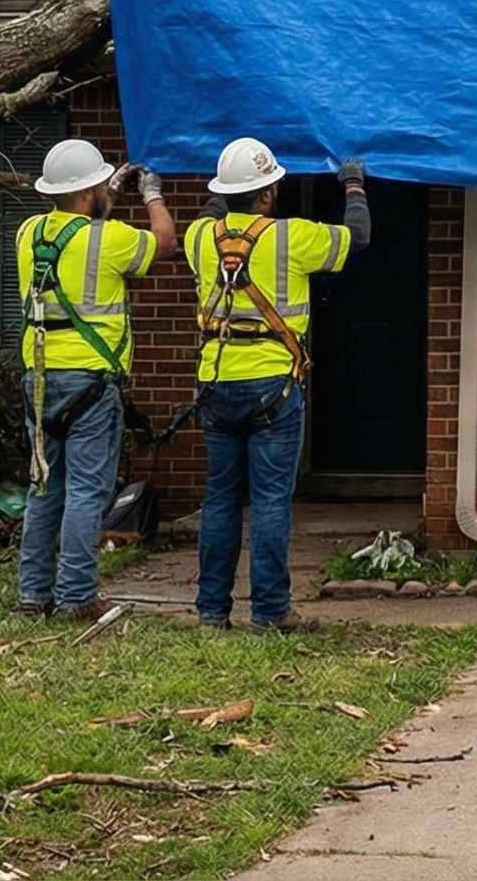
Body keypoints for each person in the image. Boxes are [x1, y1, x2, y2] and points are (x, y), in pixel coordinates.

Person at [187, 137, 369, 630]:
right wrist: (353, 182)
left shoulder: (199, 238)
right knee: (269, 501)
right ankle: (269, 612)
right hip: (274, 388)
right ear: (267, 194)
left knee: (220, 499)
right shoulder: (293, 236)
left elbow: (210, 211)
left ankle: (210, 612)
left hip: (216, 385)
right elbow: (358, 237)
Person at [14, 138, 174, 622]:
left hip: (39, 383)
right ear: (89, 190)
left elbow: (80, 244)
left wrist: (108, 198)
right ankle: (77, 595)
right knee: (86, 492)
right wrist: (152, 194)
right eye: (102, 183)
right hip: (90, 385)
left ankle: (31, 594)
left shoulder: (28, 232)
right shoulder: (111, 239)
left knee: (45, 488)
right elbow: (164, 243)